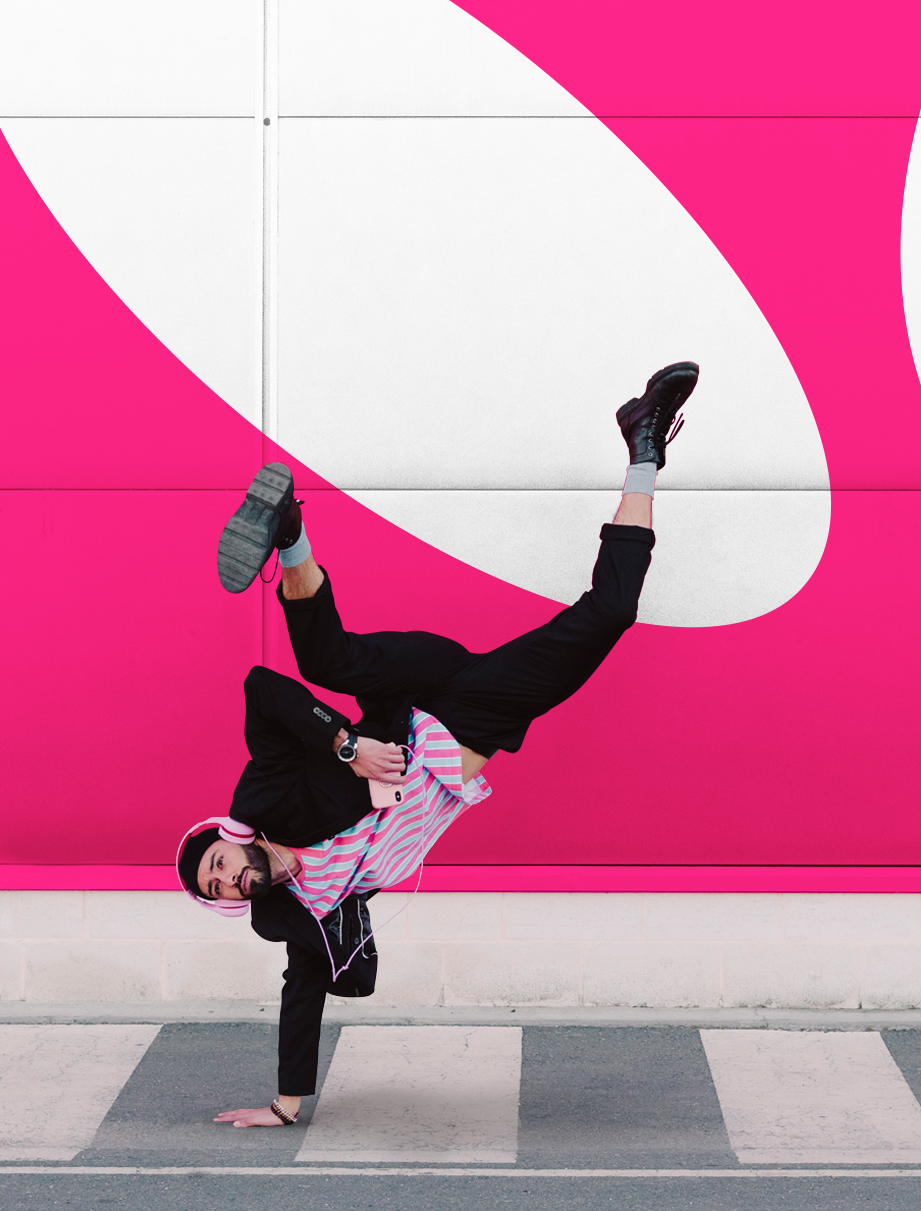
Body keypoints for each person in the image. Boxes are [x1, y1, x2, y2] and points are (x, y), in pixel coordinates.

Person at [176, 362, 700, 1129]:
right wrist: (285, 1105)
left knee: (324, 662)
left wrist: (346, 744)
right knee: (609, 613)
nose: (227, 880)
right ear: (231, 904)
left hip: (405, 698)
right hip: (474, 722)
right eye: (218, 889)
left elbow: (262, 688)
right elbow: (304, 989)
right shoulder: (301, 907)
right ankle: (644, 445)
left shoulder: (262, 802)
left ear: (226, 841)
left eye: (217, 864)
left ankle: (291, 533)